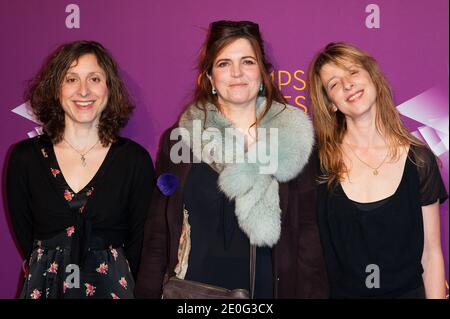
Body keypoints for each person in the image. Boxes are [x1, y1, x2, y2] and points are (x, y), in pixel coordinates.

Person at [135, 20, 328, 298]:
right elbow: (159, 232)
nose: (236, 73)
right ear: (211, 78)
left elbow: (308, 237)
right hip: (193, 293)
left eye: (247, 62)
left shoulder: (293, 142)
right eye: (224, 63)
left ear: (262, 73)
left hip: (266, 292)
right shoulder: (181, 140)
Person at [6, 40, 155, 299]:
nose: (83, 91)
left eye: (94, 79)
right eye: (71, 79)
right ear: (56, 88)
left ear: (109, 88)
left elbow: (140, 242)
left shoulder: (134, 160)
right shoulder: (24, 158)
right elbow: (26, 236)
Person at [308, 42, 448, 298]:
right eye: (334, 84)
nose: (348, 84)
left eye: (352, 72)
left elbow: (431, 253)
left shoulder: (419, 160)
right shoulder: (317, 163)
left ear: (372, 76)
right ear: (331, 104)